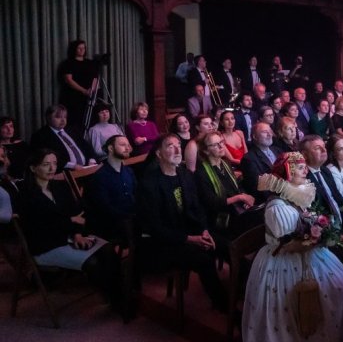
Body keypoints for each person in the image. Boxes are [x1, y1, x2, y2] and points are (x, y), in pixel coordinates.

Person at [242, 152, 343, 342]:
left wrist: (323, 235)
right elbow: (289, 244)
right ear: (288, 172)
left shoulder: (295, 196)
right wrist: (319, 238)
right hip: (283, 262)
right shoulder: (277, 207)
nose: (305, 170)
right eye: (300, 168)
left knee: (339, 289)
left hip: (309, 255)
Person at [17, 148, 121, 309]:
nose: (52, 168)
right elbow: (38, 225)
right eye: (46, 164)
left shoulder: (59, 187)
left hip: (68, 236)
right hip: (47, 245)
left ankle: (120, 295)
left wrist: (77, 234)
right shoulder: (25, 194)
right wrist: (69, 221)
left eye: (54, 164)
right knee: (93, 263)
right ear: (33, 168)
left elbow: (76, 212)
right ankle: (116, 300)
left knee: (108, 249)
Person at [137, 135, 227, 309]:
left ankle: (244, 288)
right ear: (159, 154)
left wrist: (204, 229)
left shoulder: (185, 174)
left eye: (179, 145)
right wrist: (190, 239)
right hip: (163, 242)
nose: (178, 150)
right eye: (170, 146)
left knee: (225, 245)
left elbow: (197, 207)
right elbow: (154, 227)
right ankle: (223, 305)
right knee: (204, 259)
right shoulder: (148, 184)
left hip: (189, 231)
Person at [194, 131, 256, 253]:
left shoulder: (225, 164)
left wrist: (245, 198)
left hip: (235, 210)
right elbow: (211, 203)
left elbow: (237, 188)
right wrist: (239, 198)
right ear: (206, 151)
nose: (221, 146)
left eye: (221, 142)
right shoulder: (201, 173)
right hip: (220, 217)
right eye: (216, 144)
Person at [82, 135, 136, 241]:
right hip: (112, 225)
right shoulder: (99, 177)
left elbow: (136, 194)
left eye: (128, 145)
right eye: (122, 145)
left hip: (131, 218)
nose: (127, 148)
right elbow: (104, 208)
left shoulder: (129, 171)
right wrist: (130, 216)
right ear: (110, 148)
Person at [30, 104, 96, 172]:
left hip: (87, 169)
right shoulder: (40, 136)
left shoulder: (72, 130)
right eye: (58, 117)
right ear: (49, 118)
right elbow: (45, 158)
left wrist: (91, 160)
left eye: (65, 117)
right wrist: (72, 165)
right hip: (65, 172)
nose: (63, 120)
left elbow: (86, 146)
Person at [58, 39, 98, 132]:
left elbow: (96, 78)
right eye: (79, 48)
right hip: (73, 97)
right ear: (74, 49)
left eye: (83, 48)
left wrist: (91, 90)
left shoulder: (90, 63)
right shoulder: (68, 63)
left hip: (89, 97)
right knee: (75, 122)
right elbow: (68, 79)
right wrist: (83, 90)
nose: (82, 50)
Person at [240, 122, 282, 202]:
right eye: (264, 132)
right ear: (255, 136)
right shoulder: (249, 159)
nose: (269, 134)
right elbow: (259, 188)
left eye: (270, 131)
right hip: (270, 201)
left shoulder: (277, 150)